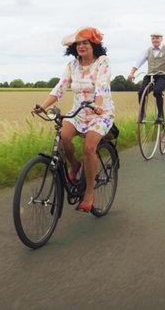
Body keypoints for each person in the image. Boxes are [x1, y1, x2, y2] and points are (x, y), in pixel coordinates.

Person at [33, 26, 115, 212]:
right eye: (78, 44)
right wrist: (43, 107)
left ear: (93, 44)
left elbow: (102, 85)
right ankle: (75, 164)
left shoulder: (103, 62)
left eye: (85, 42)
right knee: (63, 136)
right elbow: (61, 87)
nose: (81, 46)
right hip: (78, 113)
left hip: (100, 113)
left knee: (89, 147)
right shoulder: (72, 66)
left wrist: (98, 104)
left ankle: (89, 193)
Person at [127, 32, 165, 124]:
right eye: (153, 38)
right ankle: (141, 115)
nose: (155, 40)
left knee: (157, 91)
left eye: (157, 38)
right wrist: (132, 73)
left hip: (162, 76)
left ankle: (160, 116)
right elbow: (138, 62)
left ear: (161, 39)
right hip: (150, 76)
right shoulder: (148, 50)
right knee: (141, 92)